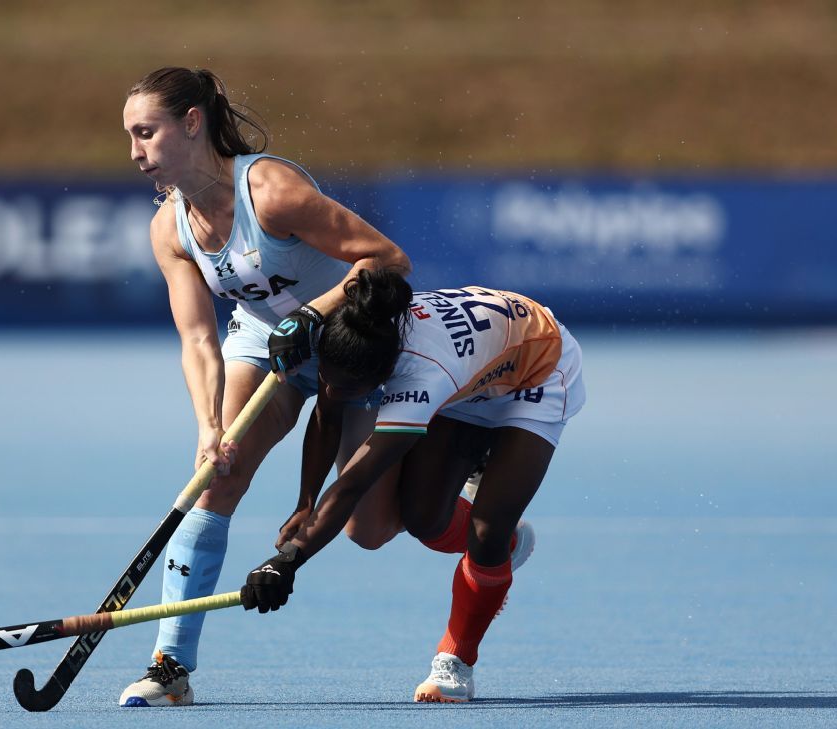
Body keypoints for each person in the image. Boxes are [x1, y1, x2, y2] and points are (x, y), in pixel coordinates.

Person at [118, 67, 412, 707]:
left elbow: (387, 260)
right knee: (215, 478)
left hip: (346, 345)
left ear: (192, 123)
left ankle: (457, 476)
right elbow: (198, 340)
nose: (136, 154)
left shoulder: (271, 191)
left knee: (366, 528)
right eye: (131, 137)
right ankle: (172, 667)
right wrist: (209, 429)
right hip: (263, 343)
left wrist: (313, 315)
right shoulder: (170, 229)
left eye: (146, 134)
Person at [240, 268, 586, 703]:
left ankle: (456, 658)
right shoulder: (350, 337)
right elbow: (328, 414)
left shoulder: (422, 376)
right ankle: (500, 528)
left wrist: (286, 561)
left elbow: (352, 485)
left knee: (487, 530)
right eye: (326, 377)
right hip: (472, 373)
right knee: (423, 518)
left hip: (537, 369)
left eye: (345, 386)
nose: (330, 387)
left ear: (382, 377)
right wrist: (305, 501)